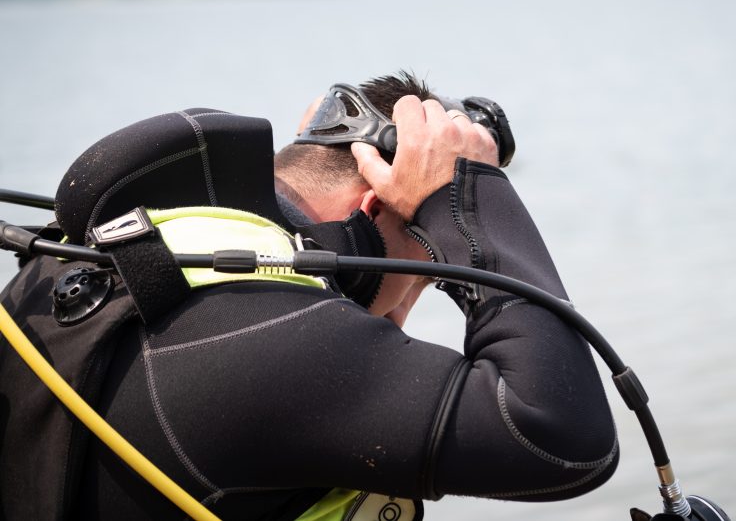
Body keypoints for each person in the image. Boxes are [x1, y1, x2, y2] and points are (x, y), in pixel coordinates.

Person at [0, 74, 619, 520]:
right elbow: (563, 440)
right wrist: (467, 205)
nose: (403, 318)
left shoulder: (82, 262)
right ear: (378, 202)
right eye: (424, 272)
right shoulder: (278, 343)